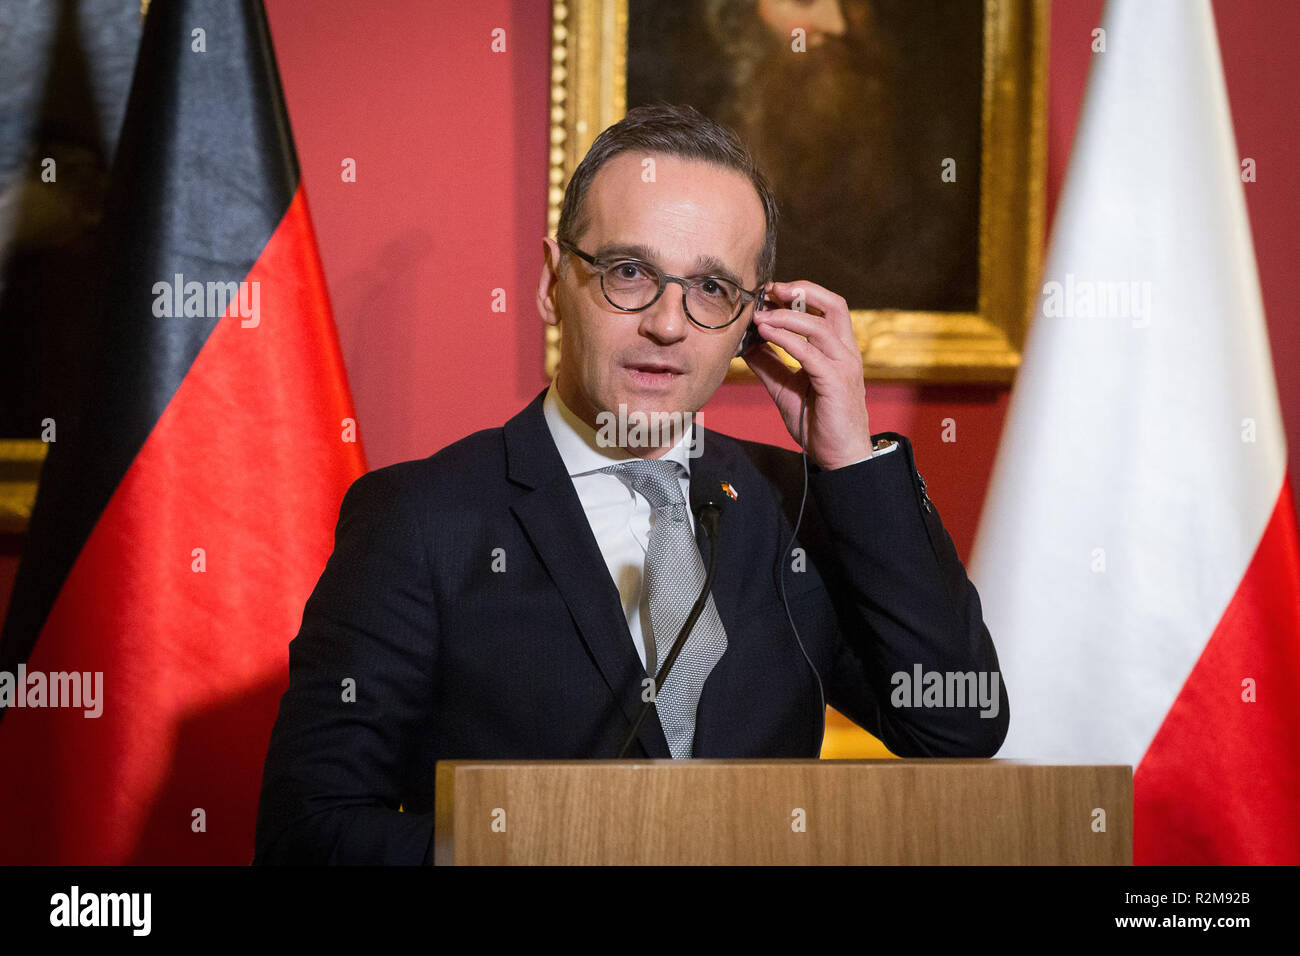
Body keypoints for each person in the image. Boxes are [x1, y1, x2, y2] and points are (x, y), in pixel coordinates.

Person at [253, 103, 1008, 865]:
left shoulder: (801, 505)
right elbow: (307, 834)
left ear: (753, 321)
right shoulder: (421, 518)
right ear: (553, 283)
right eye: (629, 272)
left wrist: (848, 458)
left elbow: (957, 727)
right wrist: (569, 849)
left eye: (712, 288)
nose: (668, 324)